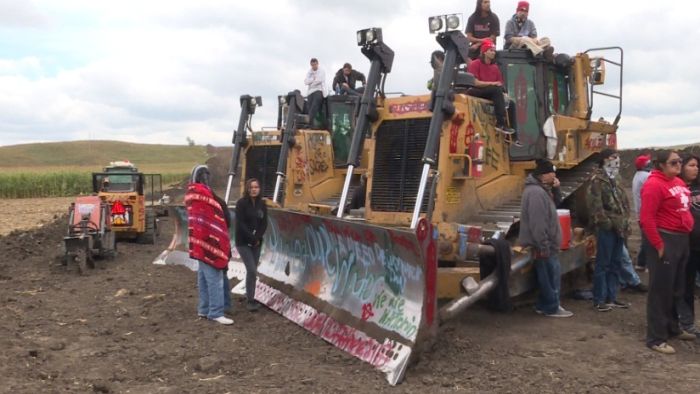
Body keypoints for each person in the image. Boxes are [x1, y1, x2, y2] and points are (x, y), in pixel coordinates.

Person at [640, 150, 695, 354]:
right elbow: (646, 218)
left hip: (681, 239)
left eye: (680, 162)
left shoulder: (678, 183)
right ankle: (656, 337)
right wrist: (659, 244)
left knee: (676, 288)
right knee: (660, 290)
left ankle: (672, 327)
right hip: (666, 238)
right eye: (673, 162)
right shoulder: (654, 185)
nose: (678, 165)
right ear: (661, 165)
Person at [519, 159, 573, 318]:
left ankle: (544, 305)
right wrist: (543, 246)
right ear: (544, 175)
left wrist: (556, 189)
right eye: (552, 172)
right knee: (550, 277)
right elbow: (538, 222)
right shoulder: (535, 193)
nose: (554, 175)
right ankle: (551, 307)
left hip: (546, 244)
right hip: (544, 245)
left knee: (548, 275)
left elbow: (556, 204)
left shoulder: (541, 190)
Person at [185, 165, 233, 325]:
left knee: (204, 278)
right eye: (204, 176)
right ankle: (216, 312)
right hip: (209, 243)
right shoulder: (204, 197)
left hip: (199, 243)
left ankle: (204, 309)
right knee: (214, 278)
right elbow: (214, 219)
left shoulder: (193, 196)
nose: (207, 179)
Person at [586, 149, 630, 312]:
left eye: (617, 157)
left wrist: (626, 220)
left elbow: (623, 201)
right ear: (604, 160)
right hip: (607, 228)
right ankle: (599, 299)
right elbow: (595, 205)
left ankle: (612, 297)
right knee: (603, 264)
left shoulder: (616, 179)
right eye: (613, 157)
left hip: (620, 227)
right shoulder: (597, 180)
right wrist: (606, 223)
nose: (616, 160)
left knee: (615, 263)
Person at [467, 39, 519, 140]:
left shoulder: (495, 67)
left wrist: (505, 94)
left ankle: (514, 137)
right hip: (476, 90)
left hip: (490, 91)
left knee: (511, 103)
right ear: (484, 52)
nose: (493, 52)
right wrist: (492, 83)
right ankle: (500, 123)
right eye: (491, 50)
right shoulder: (475, 64)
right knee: (495, 90)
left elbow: (500, 84)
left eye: (494, 50)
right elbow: (475, 83)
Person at [235, 178, 268, 312]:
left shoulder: (262, 204)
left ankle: (251, 296)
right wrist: (251, 237)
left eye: (256, 187)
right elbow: (240, 224)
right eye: (251, 187)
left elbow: (264, 222)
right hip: (243, 242)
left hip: (257, 242)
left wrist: (258, 237)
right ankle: (250, 300)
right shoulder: (241, 204)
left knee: (252, 272)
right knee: (252, 270)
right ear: (247, 189)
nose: (254, 189)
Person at [678, 154, 700, 338]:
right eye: (691, 165)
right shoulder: (676, 188)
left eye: (697, 165)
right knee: (686, 286)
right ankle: (687, 323)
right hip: (686, 246)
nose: (695, 168)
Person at [632, 153, 652, 270]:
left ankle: (641, 263)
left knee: (646, 239)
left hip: (640, 213)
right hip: (645, 212)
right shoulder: (646, 176)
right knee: (649, 240)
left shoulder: (637, 175)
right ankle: (645, 263)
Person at [304, 58, 326, 126]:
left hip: (319, 90)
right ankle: (311, 123)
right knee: (309, 107)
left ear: (317, 64)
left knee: (315, 106)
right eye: (312, 65)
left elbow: (319, 80)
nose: (314, 66)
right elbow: (305, 81)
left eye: (315, 64)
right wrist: (313, 79)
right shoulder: (309, 72)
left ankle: (309, 122)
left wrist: (311, 82)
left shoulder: (321, 71)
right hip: (310, 92)